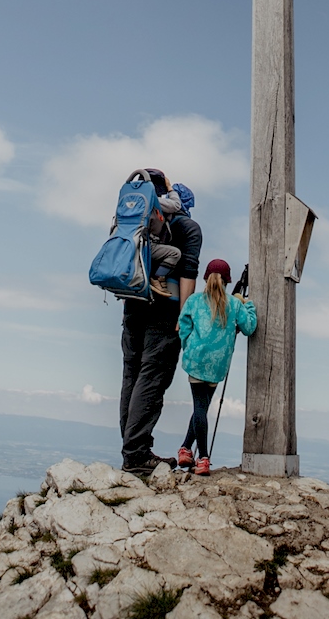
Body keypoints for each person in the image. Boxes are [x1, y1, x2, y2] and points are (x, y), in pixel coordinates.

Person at [119, 170, 202, 474]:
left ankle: (133, 450)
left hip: (132, 305)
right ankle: (137, 454)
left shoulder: (134, 221)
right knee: (153, 377)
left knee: (132, 374)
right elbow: (188, 273)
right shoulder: (188, 227)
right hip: (164, 310)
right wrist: (184, 317)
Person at [177, 258, 257, 476]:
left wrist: (188, 348)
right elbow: (249, 327)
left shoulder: (194, 301)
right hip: (217, 364)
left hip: (195, 360)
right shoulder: (234, 304)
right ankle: (201, 457)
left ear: (206, 278)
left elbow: (183, 327)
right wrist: (248, 305)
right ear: (227, 281)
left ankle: (187, 450)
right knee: (201, 408)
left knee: (199, 407)